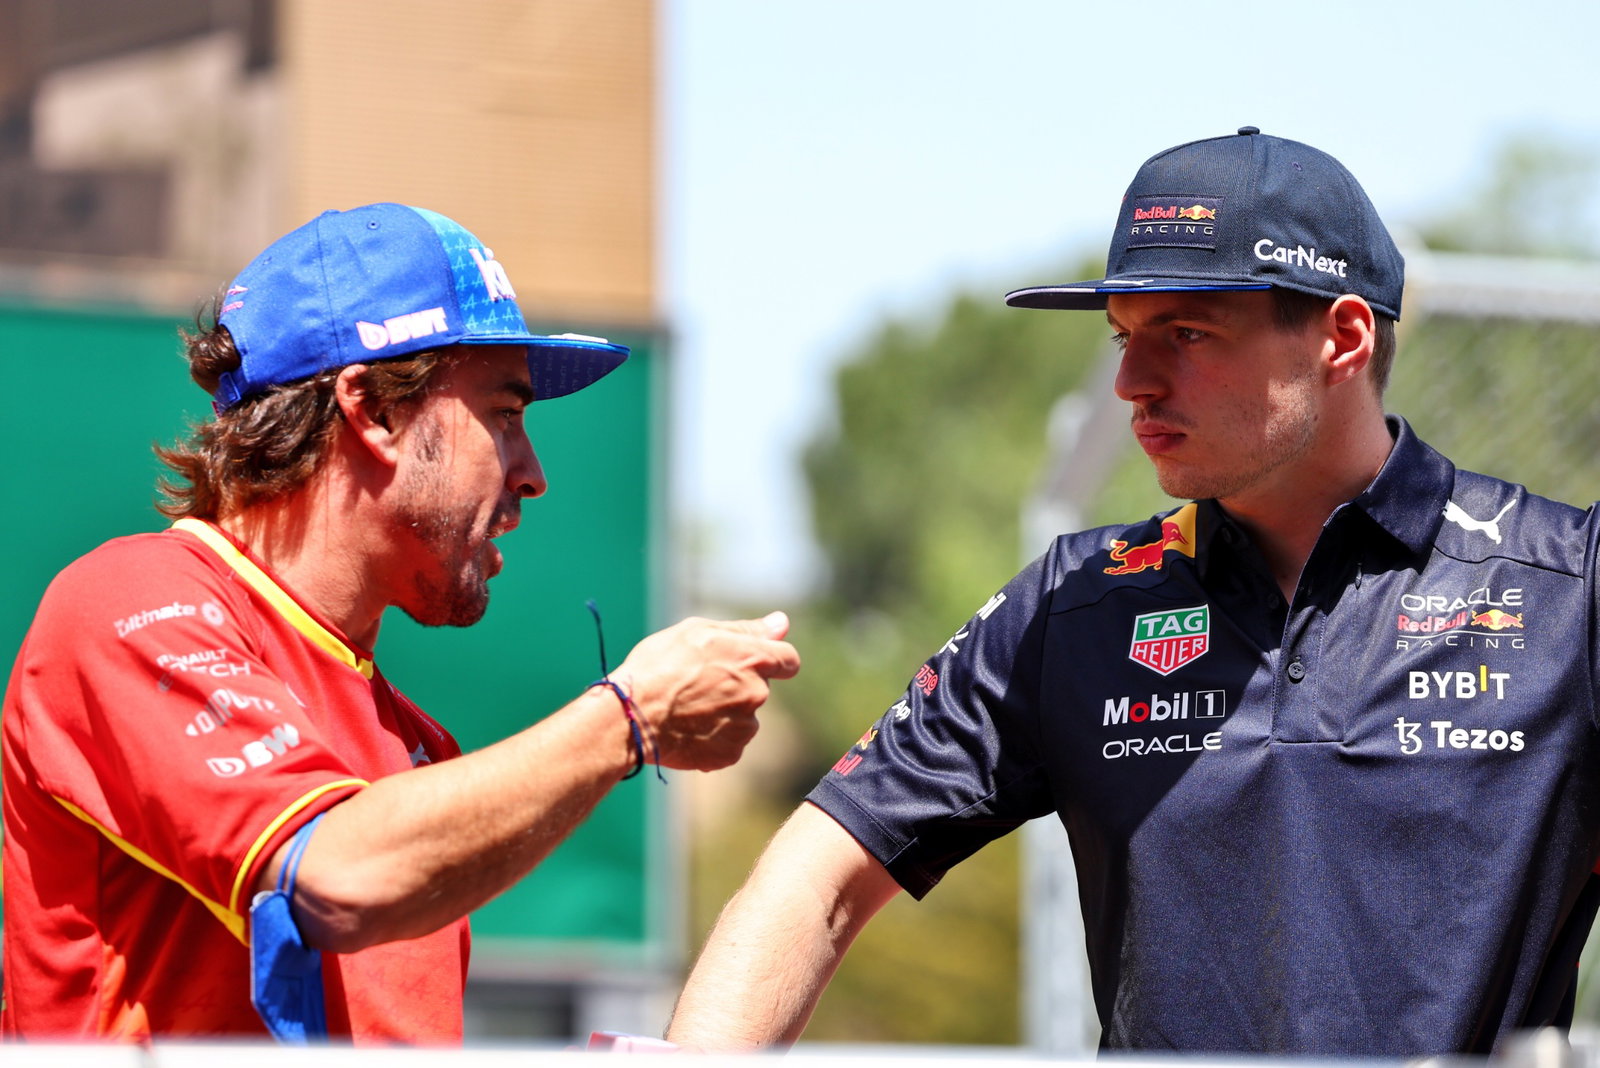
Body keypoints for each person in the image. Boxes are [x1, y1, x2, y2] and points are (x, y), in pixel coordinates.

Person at [666, 127, 1600, 1057]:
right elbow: (818, 878)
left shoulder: (1568, 590)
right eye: (1124, 334)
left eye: (1186, 333)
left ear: (1343, 338)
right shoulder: (1076, 602)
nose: (1130, 382)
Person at [0, 203, 801, 1042]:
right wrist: (631, 716)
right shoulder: (128, 601)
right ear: (374, 410)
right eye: (505, 414)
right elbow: (335, 878)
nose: (532, 473)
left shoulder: (414, 745)